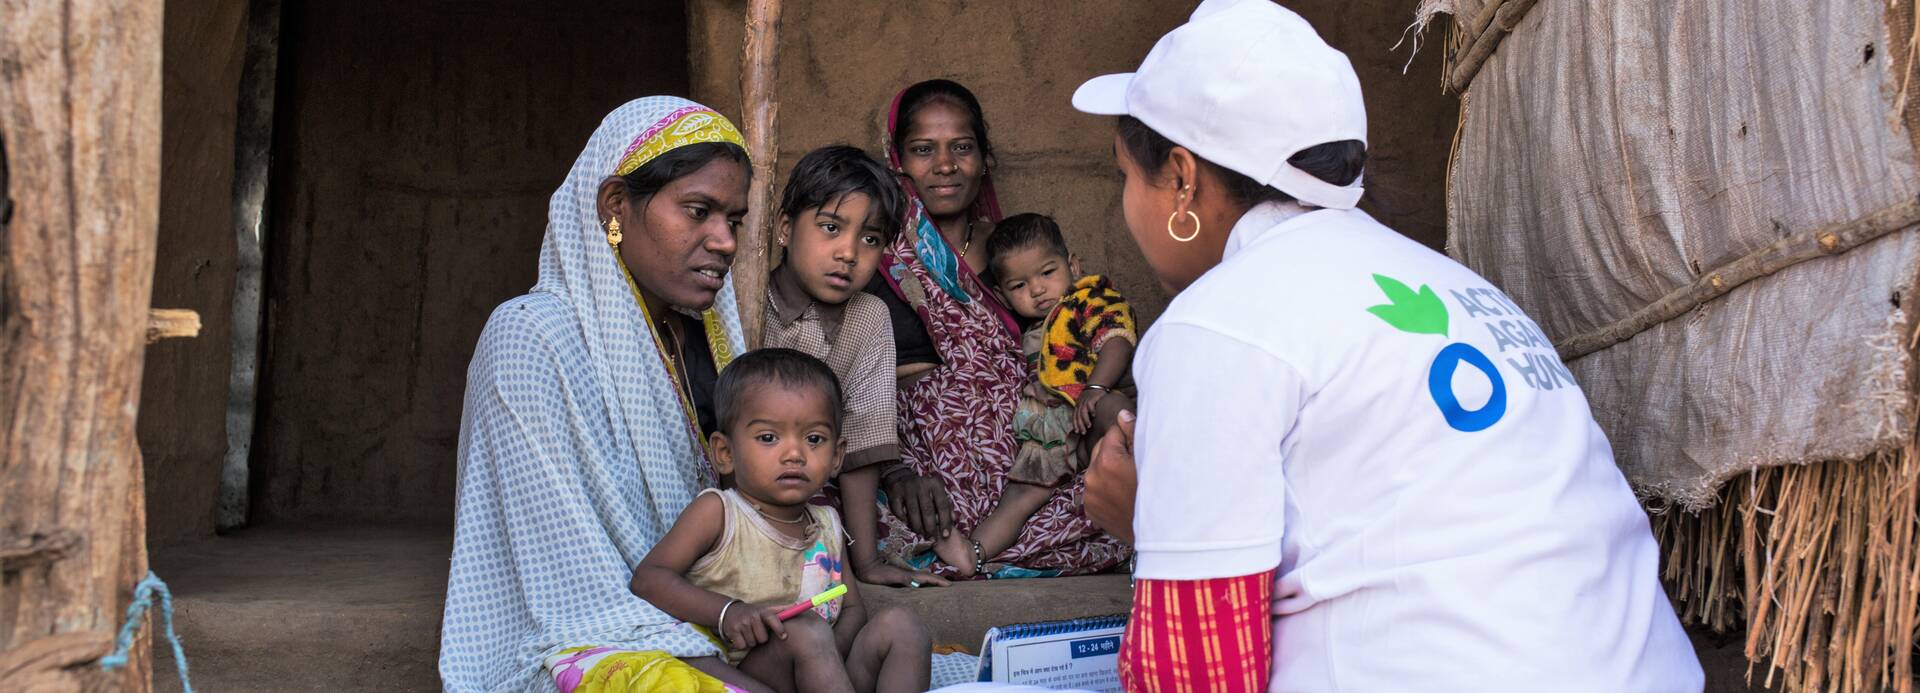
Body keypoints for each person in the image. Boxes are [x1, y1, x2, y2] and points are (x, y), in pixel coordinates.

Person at [1071, 1, 1706, 690]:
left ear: (1183, 177)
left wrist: (1156, 529)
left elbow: (1194, 673)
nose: (1127, 204)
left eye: (1124, 177)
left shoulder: (1215, 320)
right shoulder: (1460, 287)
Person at [441, 97, 757, 692]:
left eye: (733, 220)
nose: (724, 241)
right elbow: (570, 583)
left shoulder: (701, 342)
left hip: (716, 624)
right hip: (589, 643)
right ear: (615, 207)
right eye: (698, 211)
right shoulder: (530, 337)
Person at [864, 79, 1129, 579]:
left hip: (1034, 441)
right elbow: (853, 378)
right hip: (928, 463)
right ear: (896, 160)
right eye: (923, 150)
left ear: (984, 158)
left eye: (961, 148)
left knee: (1119, 492)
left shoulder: (1017, 251)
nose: (945, 165)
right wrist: (897, 472)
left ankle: (985, 546)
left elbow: (1073, 332)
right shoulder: (880, 254)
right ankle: (978, 543)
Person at [630, 348, 932, 693]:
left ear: (836, 456)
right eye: (768, 438)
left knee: (902, 625)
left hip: (823, 671)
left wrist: (827, 652)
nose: (794, 454)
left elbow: (851, 608)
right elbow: (649, 579)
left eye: (814, 439)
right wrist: (727, 612)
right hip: (747, 675)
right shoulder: (720, 513)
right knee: (805, 631)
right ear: (725, 454)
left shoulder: (828, 523)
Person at [761, 145, 948, 588]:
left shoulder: (868, 316)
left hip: (815, 484)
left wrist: (866, 562)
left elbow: (862, 440)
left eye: (869, 239)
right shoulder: (750, 301)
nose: (848, 252)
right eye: (830, 228)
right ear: (785, 229)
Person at [931, 213, 1138, 577]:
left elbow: (1118, 340)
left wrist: (1095, 388)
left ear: (1072, 264)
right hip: (1048, 426)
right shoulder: (1021, 331)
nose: (1038, 290)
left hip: (1094, 409)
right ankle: (973, 553)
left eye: (1047, 273)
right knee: (1021, 495)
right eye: (1019, 285)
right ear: (1002, 296)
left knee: (1121, 416)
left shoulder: (1087, 299)